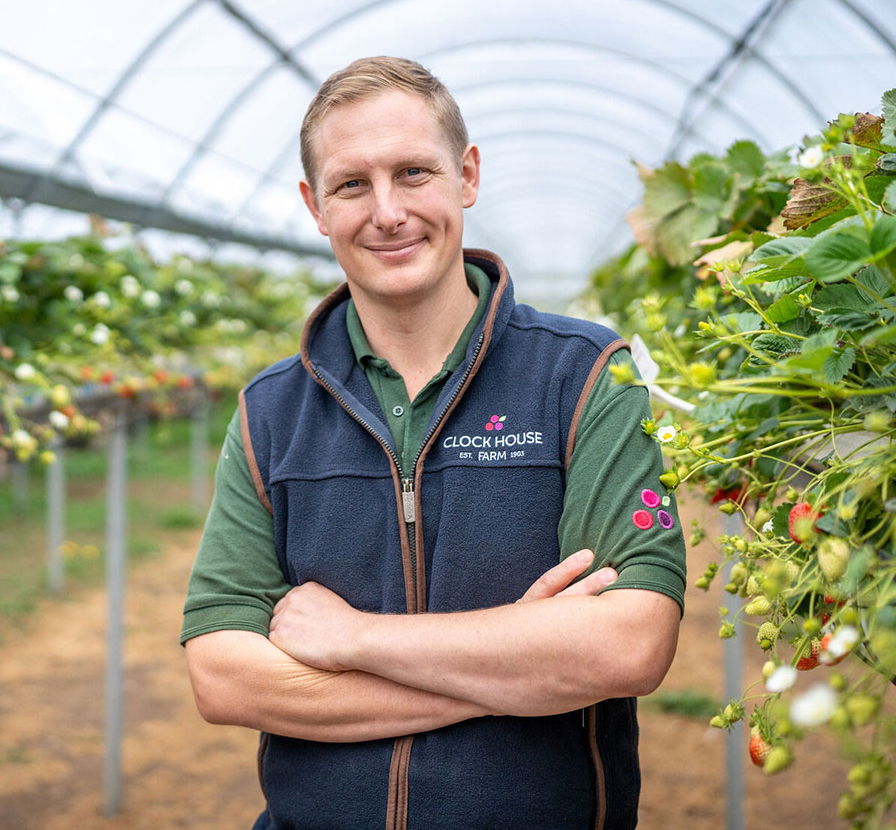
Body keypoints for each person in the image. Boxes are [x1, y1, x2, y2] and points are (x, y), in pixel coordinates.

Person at [181, 56, 685, 830]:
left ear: (468, 176)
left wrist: (352, 639)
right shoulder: (270, 411)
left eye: (413, 172)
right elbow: (223, 676)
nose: (387, 212)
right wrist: (517, 664)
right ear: (316, 207)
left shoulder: (585, 377)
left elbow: (628, 646)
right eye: (352, 184)